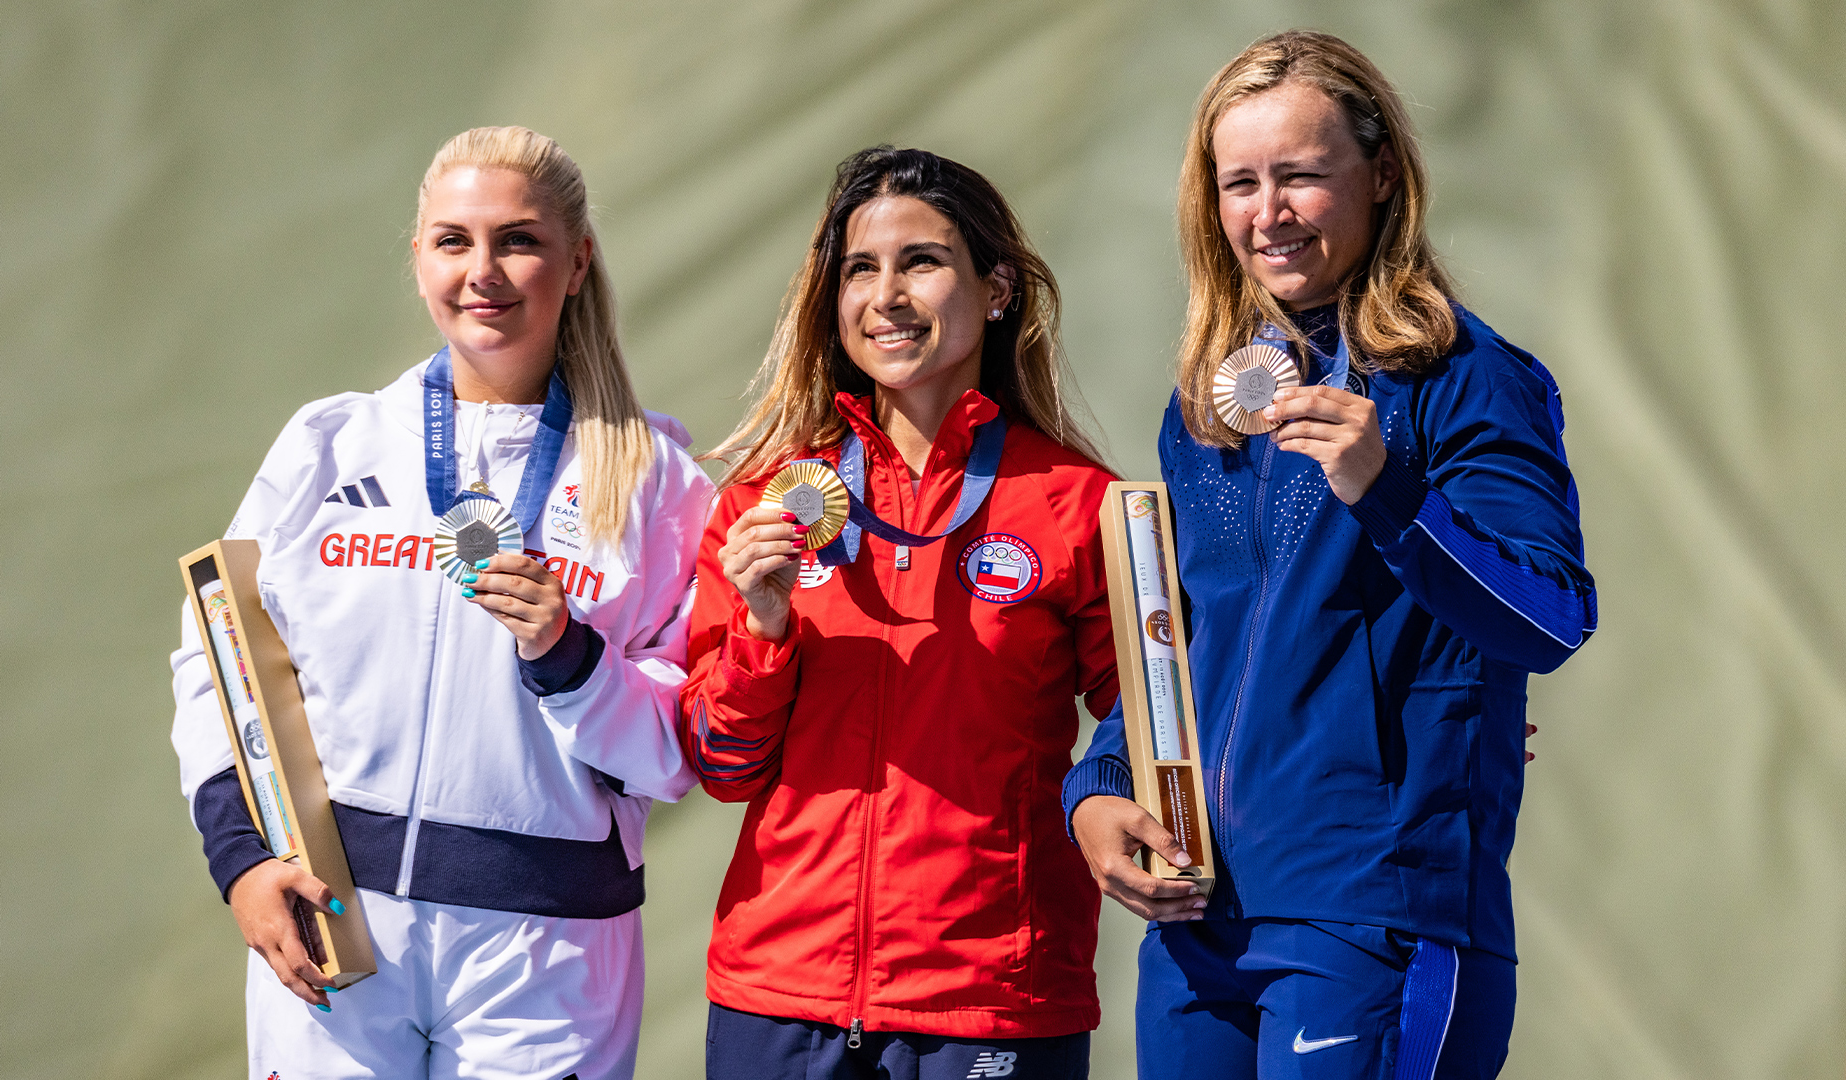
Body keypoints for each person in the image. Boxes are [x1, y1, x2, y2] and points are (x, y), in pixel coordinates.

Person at [1063, 31, 1597, 1080]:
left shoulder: (1463, 378)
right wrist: (1101, 785)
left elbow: (1549, 619)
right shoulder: (1214, 404)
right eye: (1240, 183)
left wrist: (1392, 493)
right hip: (1200, 920)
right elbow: (1190, 636)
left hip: (1373, 917)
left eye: (1302, 175)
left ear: (1383, 172)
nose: (1268, 213)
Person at [168, 126, 713, 1080]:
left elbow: (683, 745)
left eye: (520, 240)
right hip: (333, 921)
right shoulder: (329, 444)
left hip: (546, 948)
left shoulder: (657, 476)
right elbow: (218, 661)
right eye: (454, 240)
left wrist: (569, 660)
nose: (485, 271)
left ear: (577, 261)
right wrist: (242, 858)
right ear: (418, 256)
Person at [681, 147, 1117, 1080]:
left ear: (996, 288)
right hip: (777, 991)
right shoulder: (765, 502)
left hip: (993, 994)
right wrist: (763, 630)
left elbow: (1153, 727)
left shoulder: (1080, 504)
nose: (886, 295)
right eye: (860, 269)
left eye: (921, 261)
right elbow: (722, 765)